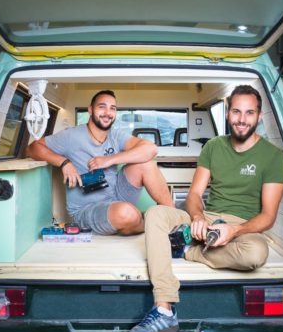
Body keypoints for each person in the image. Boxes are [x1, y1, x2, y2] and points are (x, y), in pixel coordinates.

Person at [128, 85, 283, 332]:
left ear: (259, 117)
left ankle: (188, 250)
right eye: (236, 111)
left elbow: (268, 216)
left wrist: (234, 230)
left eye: (249, 113)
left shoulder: (272, 156)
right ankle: (164, 309)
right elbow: (193, 195)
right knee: (156, 213)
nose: (242, 119)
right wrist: (199, 217)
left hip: (242, 227)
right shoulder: (213, 147)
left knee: (256, 254)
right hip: (208, 217)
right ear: (227, 113)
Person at [25, 90, 173, 236]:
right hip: (88, 209)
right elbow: (32, 149)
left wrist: (109, 160)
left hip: (117, 195)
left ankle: (172, 218)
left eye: (112, 108)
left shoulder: (115, 135)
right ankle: (148, 222)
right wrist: (64, 163)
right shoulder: (71, 136)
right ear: (90, 109)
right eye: (102, 106)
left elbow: (151, 149)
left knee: (145, 164)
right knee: (127, 214)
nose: (107, 113)